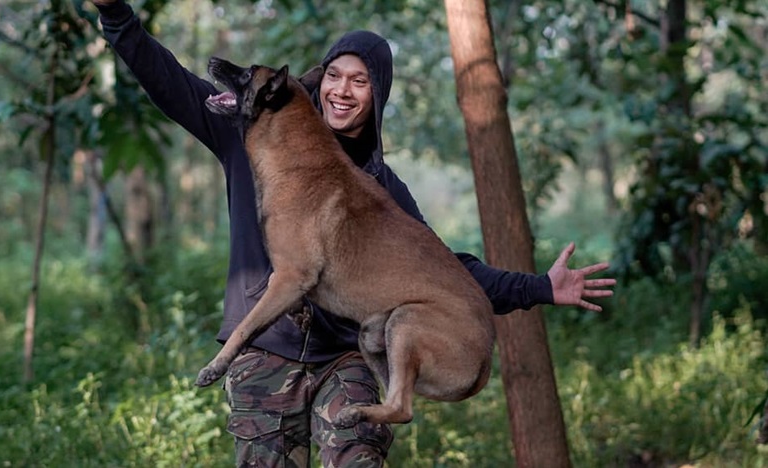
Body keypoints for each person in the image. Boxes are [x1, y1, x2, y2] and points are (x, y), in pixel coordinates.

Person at [91, 1, 616, 466]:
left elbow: (444, 272)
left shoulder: (380, 188)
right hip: (265, 354)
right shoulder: (250, 133)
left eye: (359, 81)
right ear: (317, 82)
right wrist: (115, 14)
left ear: (376, 95)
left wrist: (538, 288)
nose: (342, 90)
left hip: (347, 355)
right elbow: (170, 82)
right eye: (335, 75)